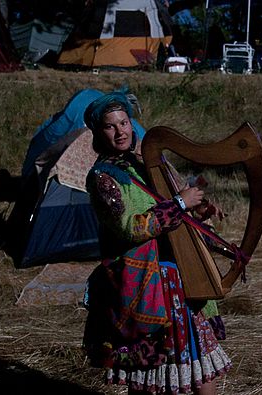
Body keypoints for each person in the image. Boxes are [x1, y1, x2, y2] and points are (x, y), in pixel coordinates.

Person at [82, 89, 231, 394]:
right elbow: (129, 228)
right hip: (144, 280)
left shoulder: (145, 164)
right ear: (99, 133)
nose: (120, 131)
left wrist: (199, 210)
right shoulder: (102, 178)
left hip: (179, 272)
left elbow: (176, 205)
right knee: (149, 371)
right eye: (110, 126)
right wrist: (179, 204)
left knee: (203, 362)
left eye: (124, 123)